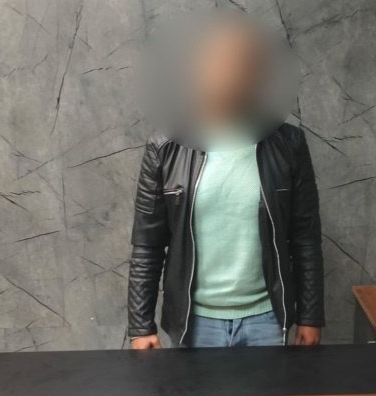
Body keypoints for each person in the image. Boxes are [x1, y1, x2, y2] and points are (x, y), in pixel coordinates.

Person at [128, 12, 324, 349]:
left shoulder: (288, 144)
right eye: (221, 63)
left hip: (266, 322)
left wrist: (310, 316)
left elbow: (305, 239)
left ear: (258, 76)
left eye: (243, 65)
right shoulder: (166, 147)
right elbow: (147, 245)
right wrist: (140, 326)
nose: (232, 74)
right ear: (200, 70)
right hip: (194, 323)